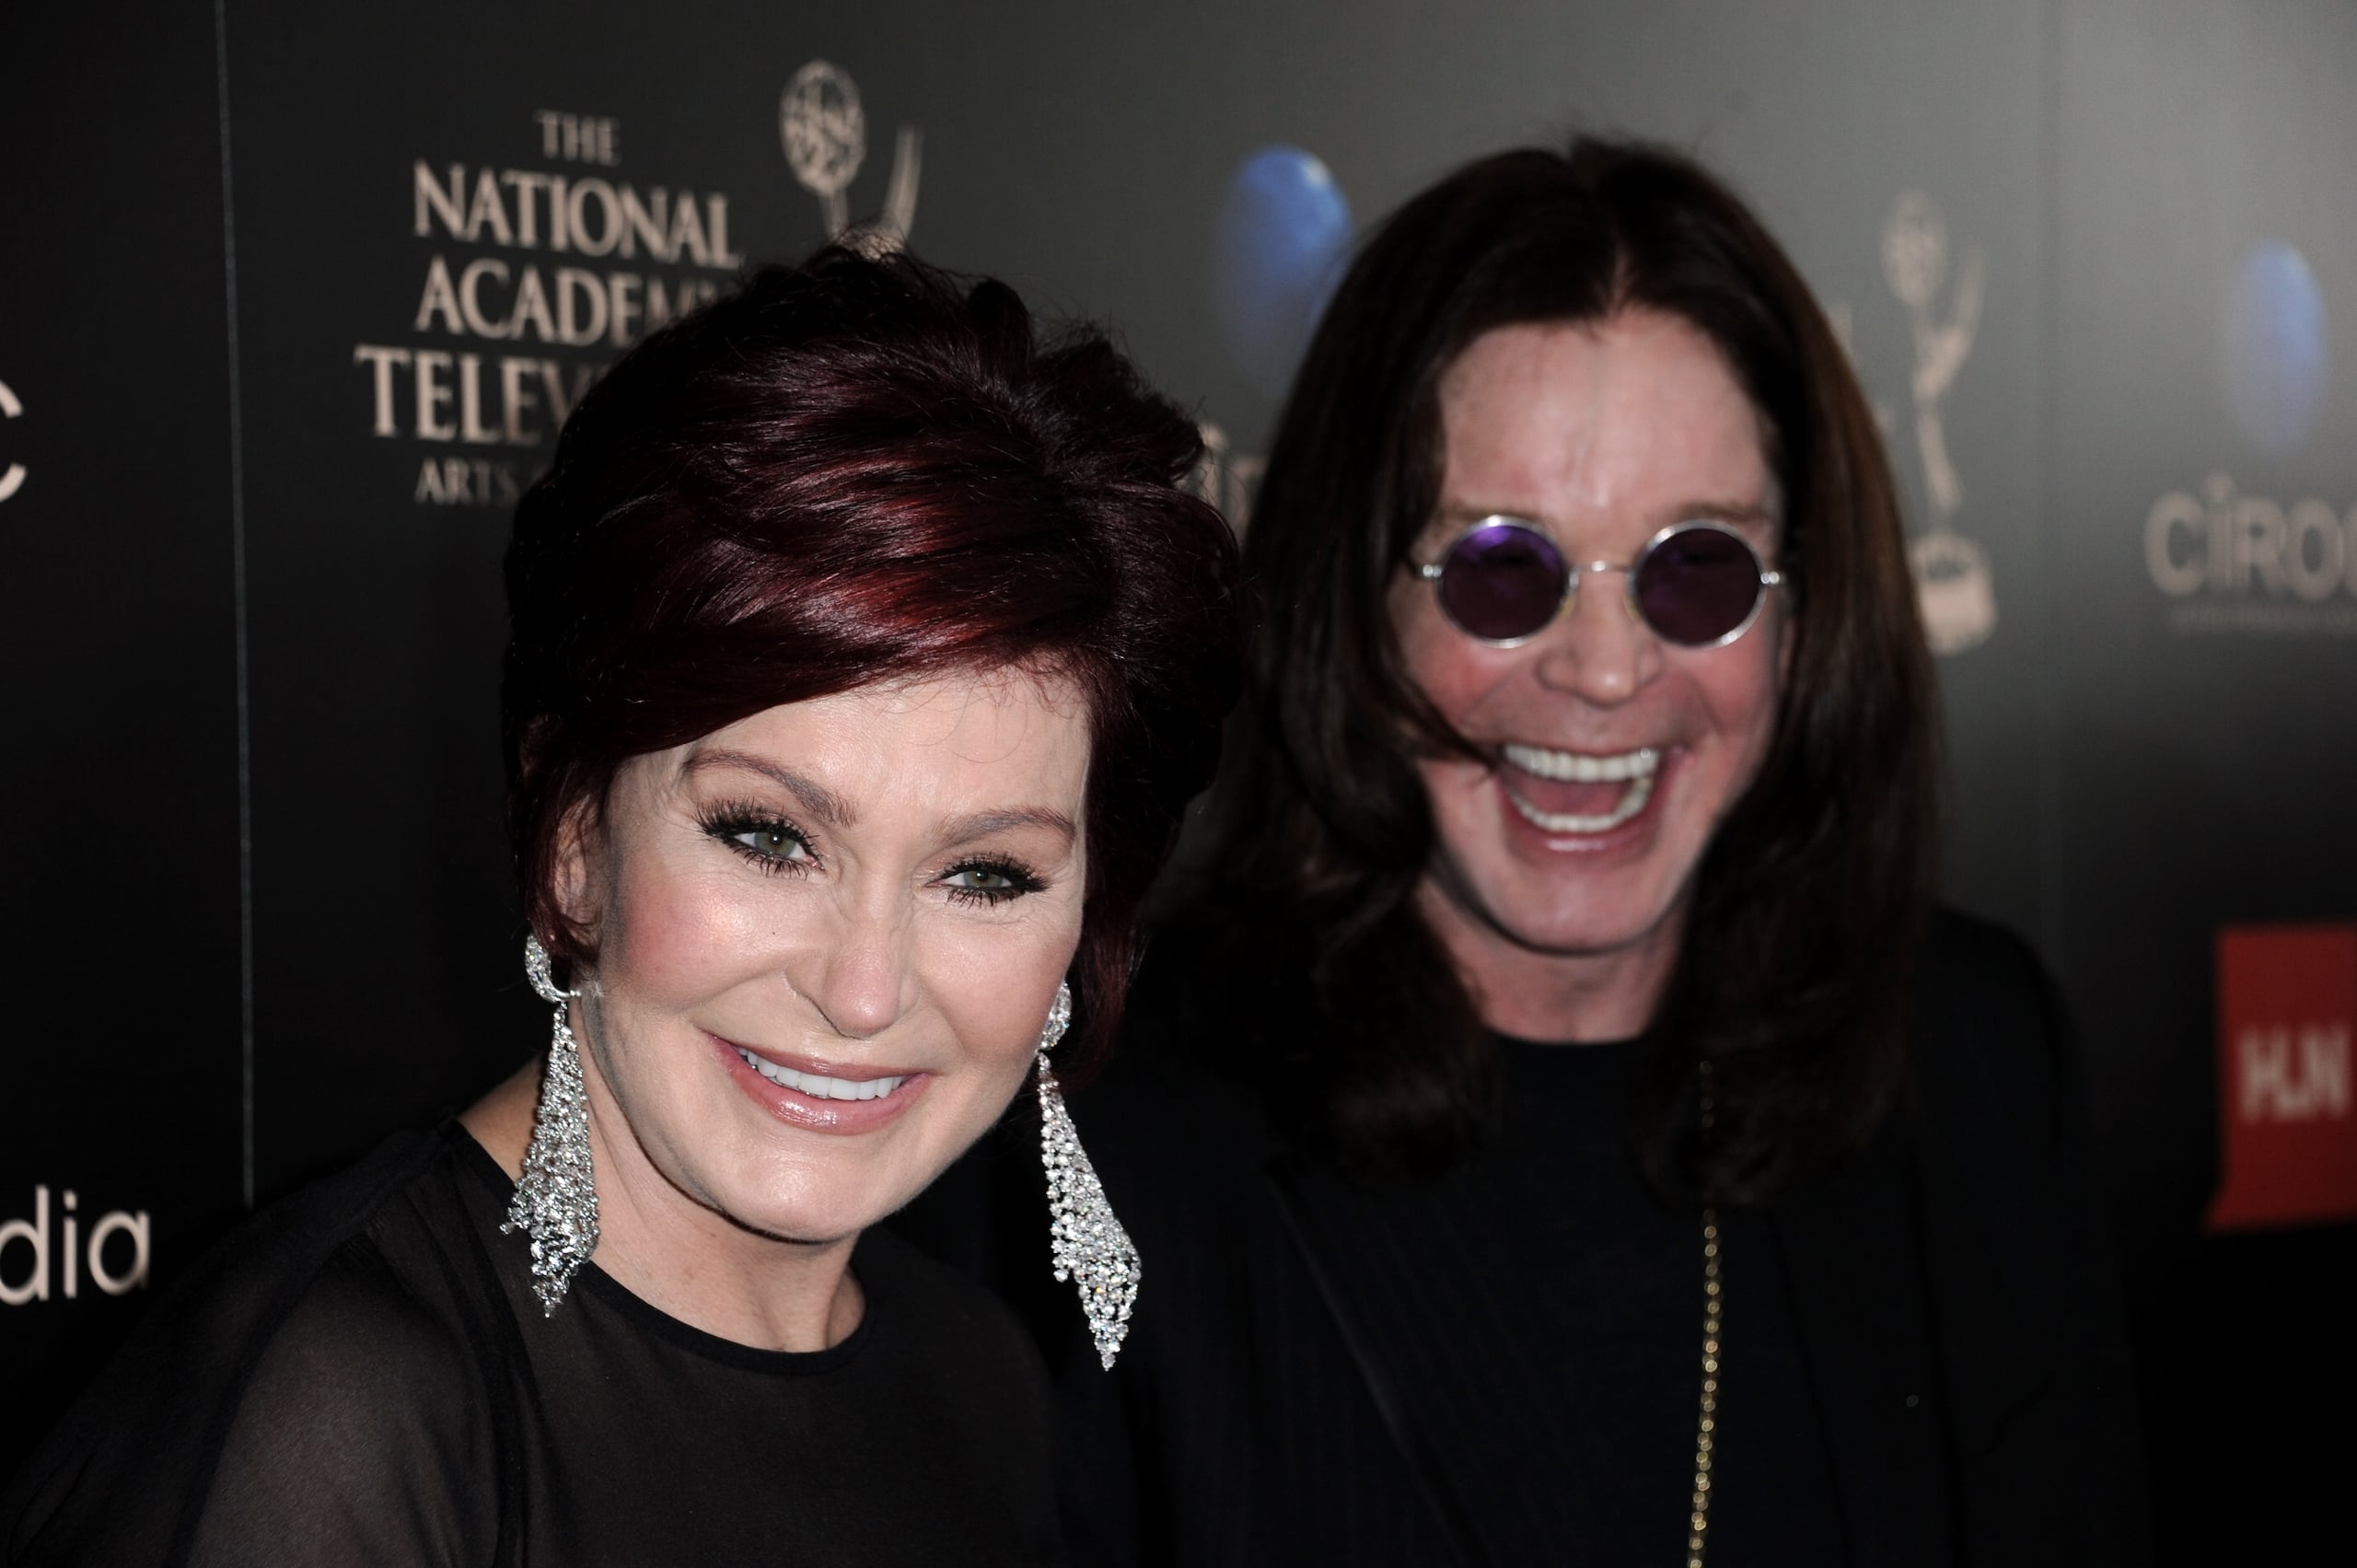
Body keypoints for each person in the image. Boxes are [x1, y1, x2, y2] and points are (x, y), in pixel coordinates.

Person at [976, 139, 2148, 1564]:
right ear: (1357, 599)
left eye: (1696, 568)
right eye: (1503, 568)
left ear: (1804, 615)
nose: (1604, 670)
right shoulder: (1098, 1126)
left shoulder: (1968, 1055)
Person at [1, 247, 1244, 1566]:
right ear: (576, 837)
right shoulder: (341, 1417)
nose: (866, 988)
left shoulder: (978, 1377)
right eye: (769, 838)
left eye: (984, 875)